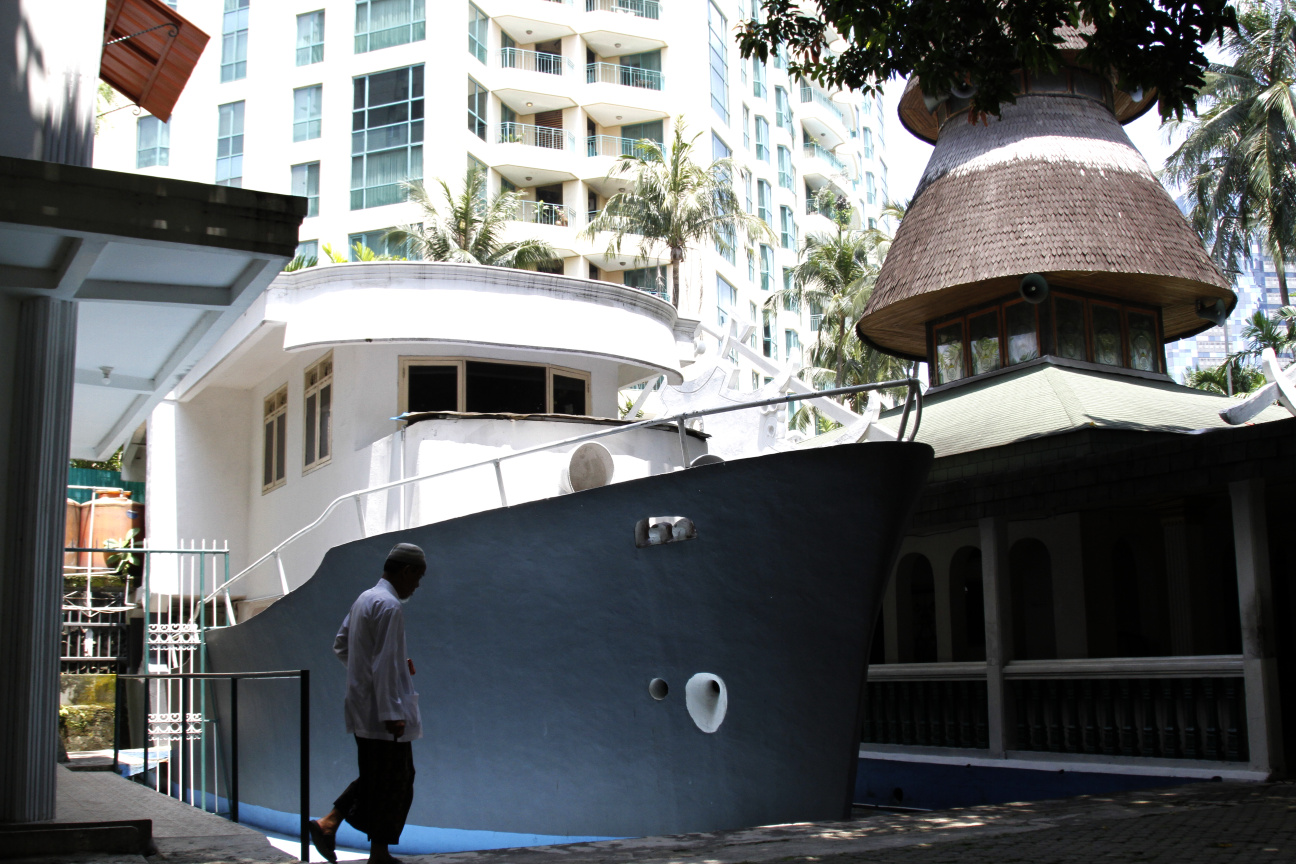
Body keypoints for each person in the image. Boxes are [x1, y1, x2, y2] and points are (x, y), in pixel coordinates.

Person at [308, 542, 426, 864]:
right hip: (382, 713)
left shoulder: (364, 599)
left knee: (378, 777)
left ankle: (333, 826)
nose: (417, 585)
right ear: (407, 571)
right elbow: (385, 662)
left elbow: (342, 646)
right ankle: (371, 848)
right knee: (396, 780)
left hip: (362, 709)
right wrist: (392, 711)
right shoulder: (389, 606)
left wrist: (367, 674)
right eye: (418, 577)